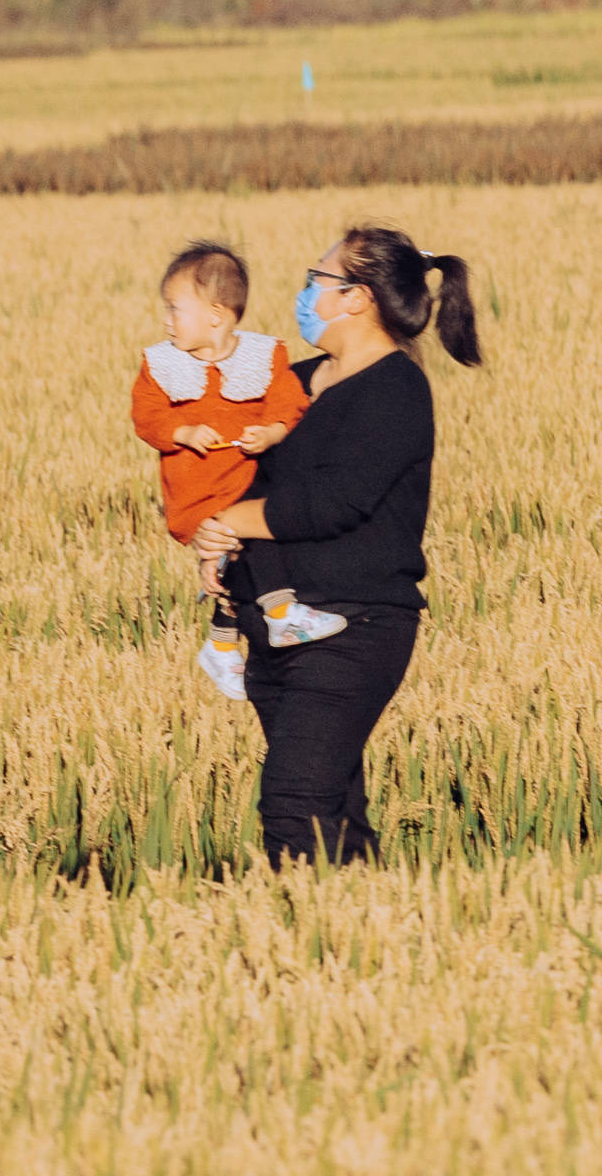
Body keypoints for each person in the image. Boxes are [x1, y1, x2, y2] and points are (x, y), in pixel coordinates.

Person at [190, 225, 484, 863]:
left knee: (295, 802)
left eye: (317, 279)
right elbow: (243, 481)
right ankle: (363, 939)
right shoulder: (289, 384)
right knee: (333, 813)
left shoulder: (395, 390)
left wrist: (238, 521)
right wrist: (213, 531)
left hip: (353, 627)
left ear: (359, 298)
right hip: (270, 631)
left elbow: (335, 502)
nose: (304, 291)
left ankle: (300, 944)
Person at [129, 241, 326, 700]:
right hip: (196, 490)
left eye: (176, 309)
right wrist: (182, 433)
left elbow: (287, 401)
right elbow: (147, 416)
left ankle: (224, 642)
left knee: (245, 552)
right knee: (230, 556)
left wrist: (273, 433)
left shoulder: (264, 355)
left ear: (216, 315)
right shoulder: (161, 364)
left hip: (245, 478)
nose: (166, 319)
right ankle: (277, 618)